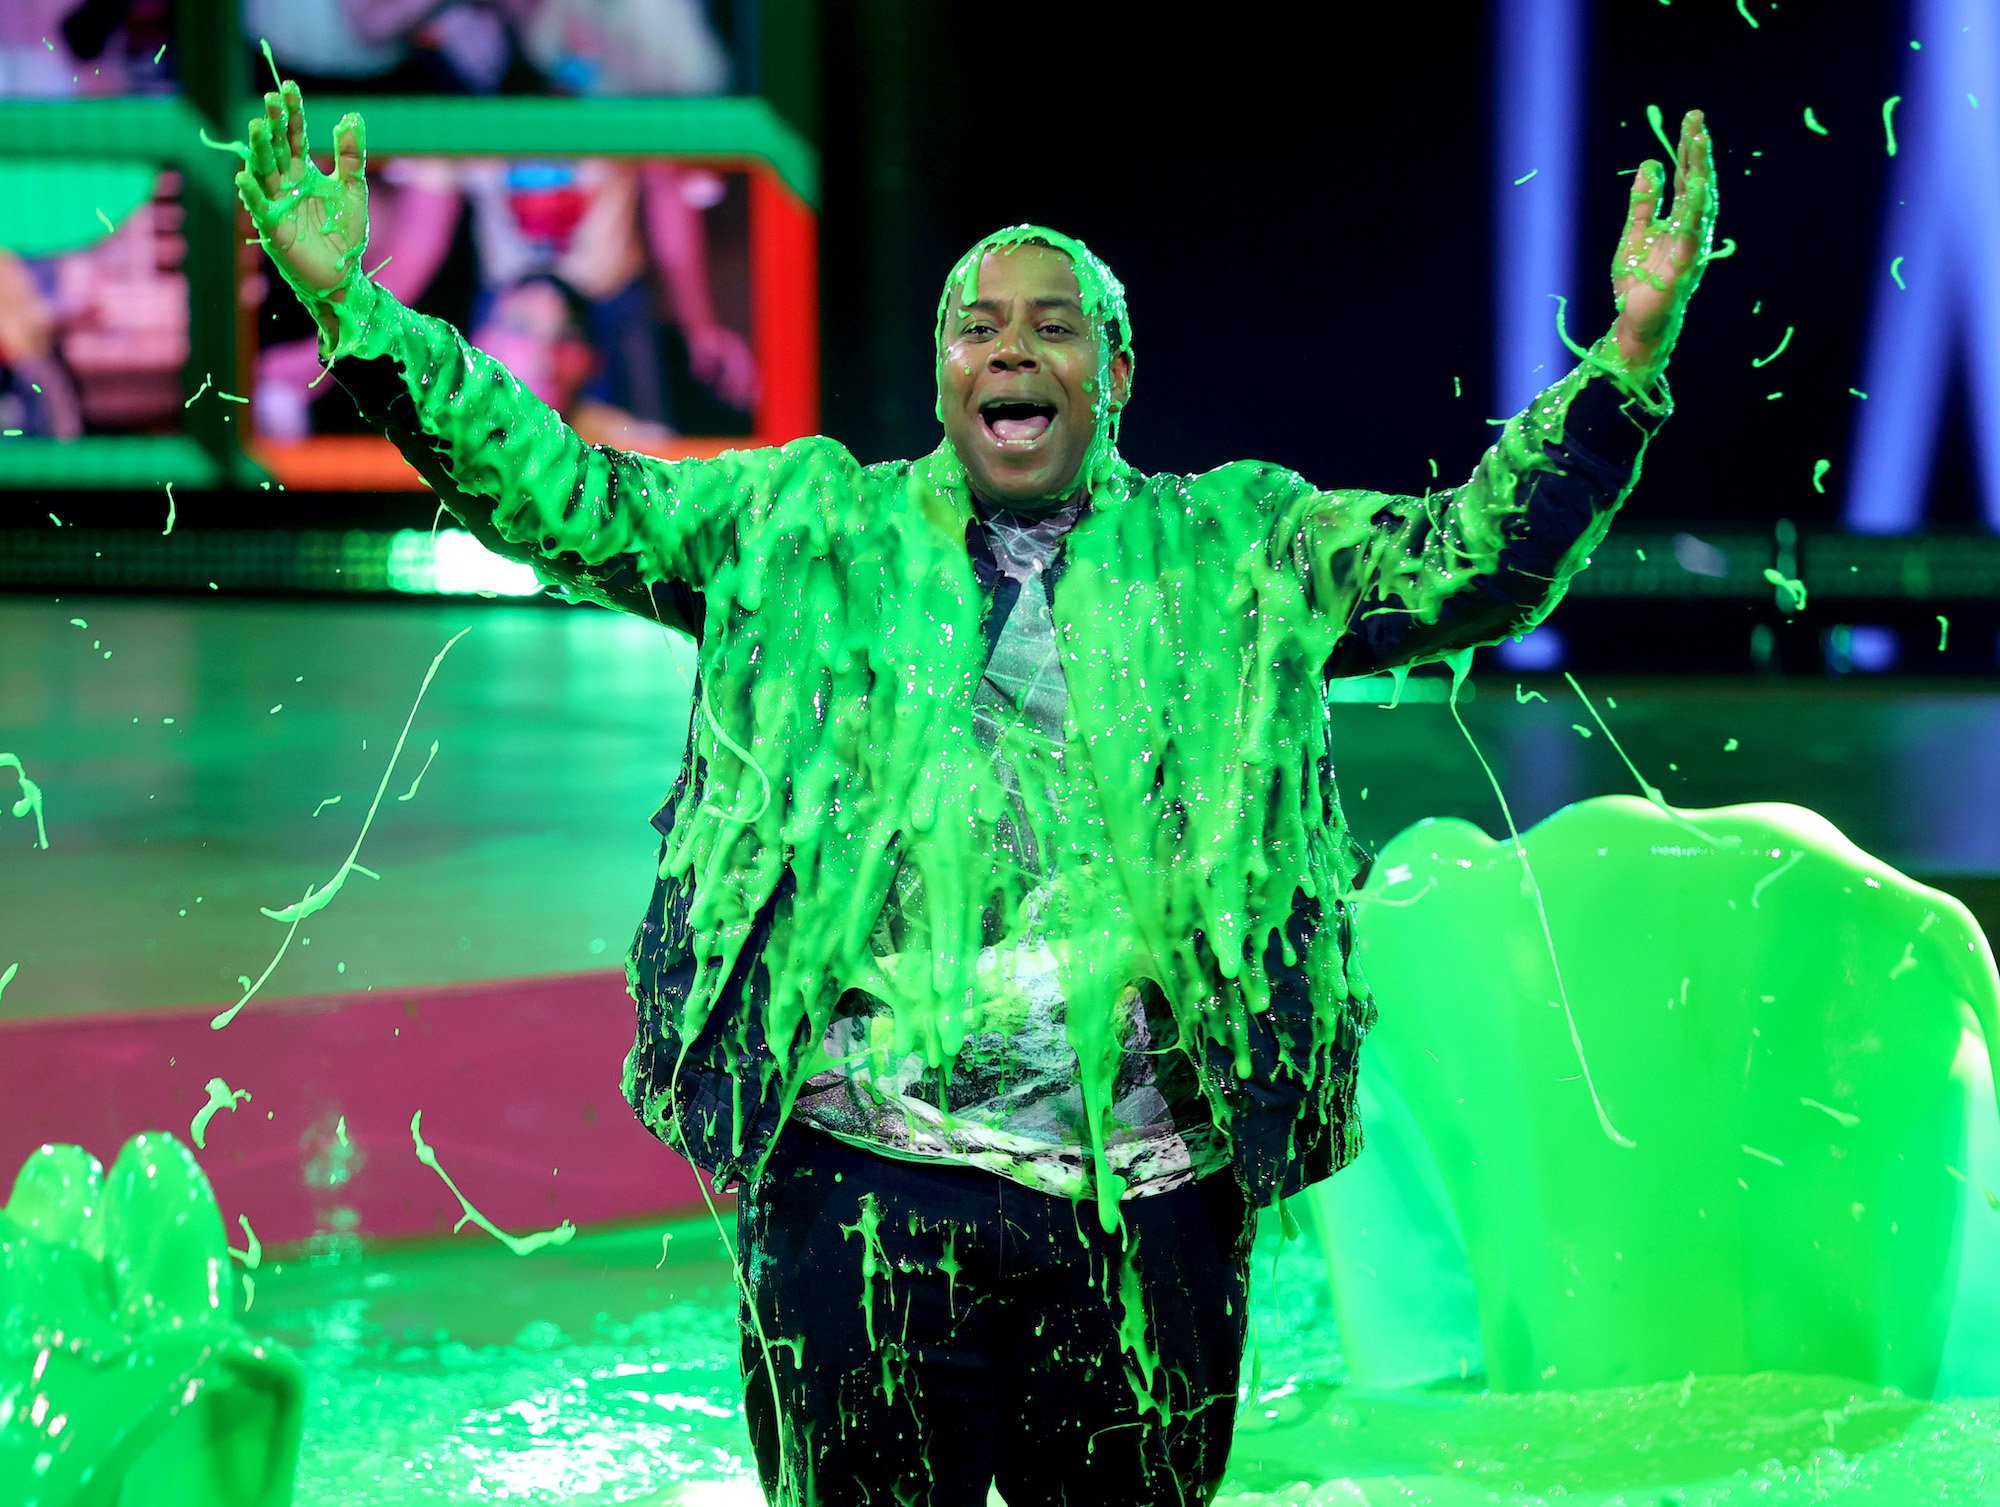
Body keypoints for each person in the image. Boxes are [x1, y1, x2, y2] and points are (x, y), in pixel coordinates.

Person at [234, 80, 1716, 1507]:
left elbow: (1471, 560)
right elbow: (559, 490)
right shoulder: (802, 530)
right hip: (861, 1179)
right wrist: (355, 315)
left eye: (1053, 327)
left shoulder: (1242, 548)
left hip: (1148, 1200)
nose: (1012, 350)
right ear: (946, 372)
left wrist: (1626, 364)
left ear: (1115, 377)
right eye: (976, 326)